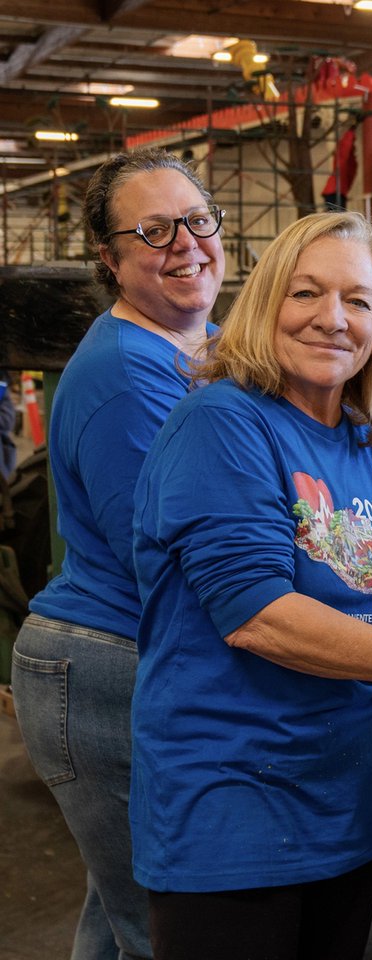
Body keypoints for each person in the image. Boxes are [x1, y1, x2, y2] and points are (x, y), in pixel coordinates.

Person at [129, 211, 372, 960]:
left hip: (337, 801)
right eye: (306, 293)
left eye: (359, 300)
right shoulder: (225, 423)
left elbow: (345, 582)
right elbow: (259, 616)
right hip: (233, 809)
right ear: (267, 302)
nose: (332, 319)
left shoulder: (360, 436)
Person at [10, 148, 224, 960]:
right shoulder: (130, 373)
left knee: (119, 916)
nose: (187, 245)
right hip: (107, 670)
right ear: (109, 256)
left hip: (125, 660)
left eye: (197, 222)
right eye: (154, 231)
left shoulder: (200, 350)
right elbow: (173, 554)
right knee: (165, 929)